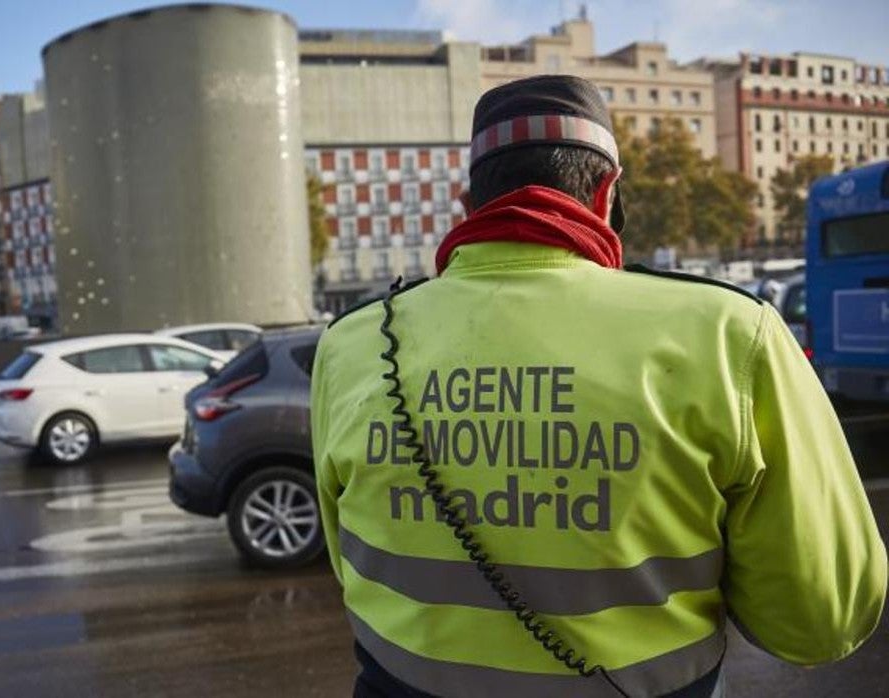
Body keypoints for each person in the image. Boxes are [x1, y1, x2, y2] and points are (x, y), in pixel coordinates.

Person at [309, 75, 886, 698]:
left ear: (467, 204)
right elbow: (821, 623)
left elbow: (353, 565)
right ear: (608, 192)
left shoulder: (351, 345)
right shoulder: (728, 335)